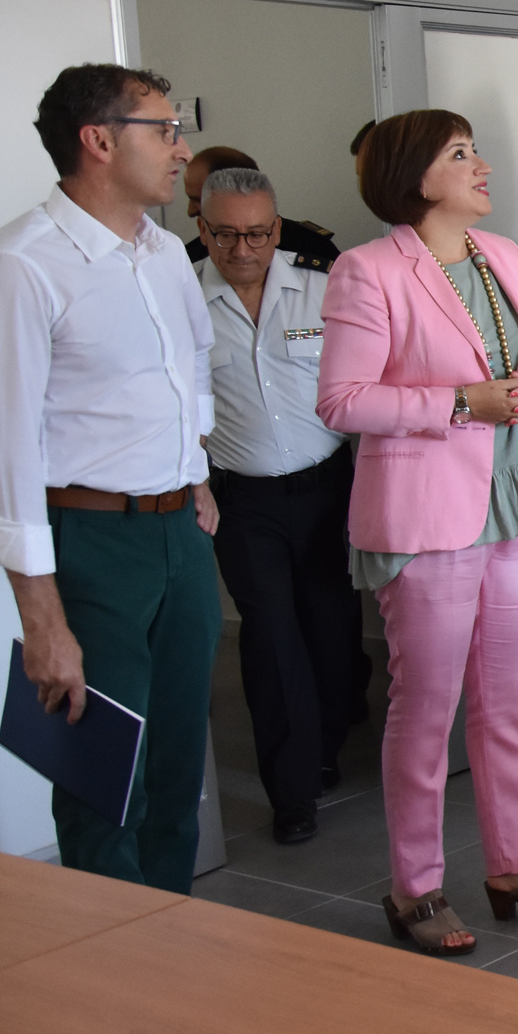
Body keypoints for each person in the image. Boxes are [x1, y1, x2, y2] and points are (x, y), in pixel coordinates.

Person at [317, 109, 518, 955]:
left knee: (507, 701)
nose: (482, 165)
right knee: (426, 706)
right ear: (415, 175)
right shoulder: (368, 271)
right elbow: (341, 400)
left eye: (476, 150)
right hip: (426, 513)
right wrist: (457, 403)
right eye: (461, 153)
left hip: (513, 496)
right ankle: (416, 886)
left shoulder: (503, 253)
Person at [0, 64, 222, 890]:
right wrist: (42, 619)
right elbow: (7, 451)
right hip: (89, 543)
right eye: (162, 130)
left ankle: (170, 936)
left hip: (177, 535)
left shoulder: (161, 252)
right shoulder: (23, 264)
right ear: (98, 140)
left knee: (174, 767)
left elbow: (192, 354)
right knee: (99, 775)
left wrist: (195, 470)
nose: (179, 148)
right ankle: (107, 969)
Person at [195, 166, 368, 845]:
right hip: (243, 501)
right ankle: (291, 790)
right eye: (228, 233)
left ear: (278, 226)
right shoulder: (183, 299)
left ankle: (322, 748)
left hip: (326, 488)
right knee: (269, 638)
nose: (244, 248)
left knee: (329, 630)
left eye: (259, 232)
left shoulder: (323, 291)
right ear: (202, 229)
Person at [180, 145, 339, 265]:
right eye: (226, 236)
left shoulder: (312, 249)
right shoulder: (188, 259)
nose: (190, 211)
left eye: (198, 199)